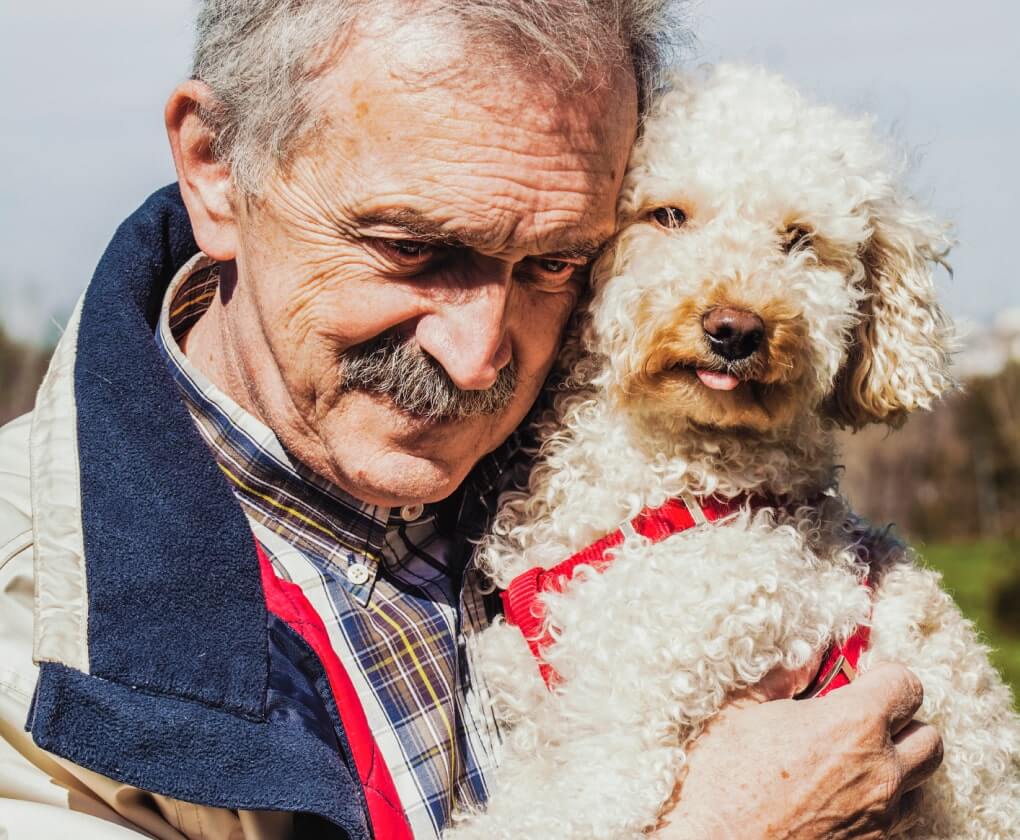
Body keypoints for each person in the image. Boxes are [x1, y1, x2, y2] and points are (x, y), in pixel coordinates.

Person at [0, 2, 942, 838]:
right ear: (216, 168)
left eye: (553, 265)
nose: (478, 354)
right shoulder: (32, 646)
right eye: (413, 248)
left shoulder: (617, 486)